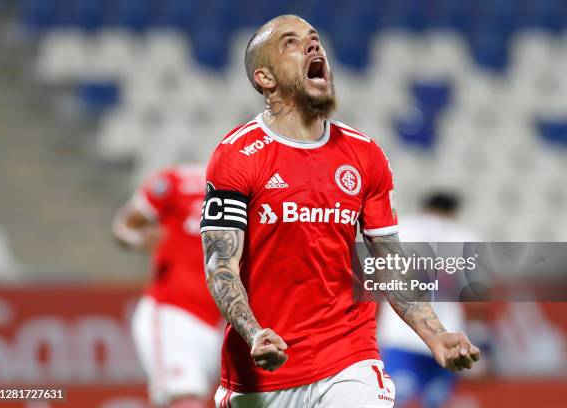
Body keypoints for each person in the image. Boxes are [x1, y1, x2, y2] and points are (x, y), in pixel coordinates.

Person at [200, 15, 480, 408]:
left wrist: (434, 334)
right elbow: (220, 264)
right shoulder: (237, 156)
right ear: (266, 79)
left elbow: (389, 260)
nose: (314, 47)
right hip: (263, 372)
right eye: (291, 43)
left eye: (315, 40)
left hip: (349, 357)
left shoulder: (364, 155)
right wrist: (254, 332)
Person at [113, 164, 223, 408]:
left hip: (219, 320)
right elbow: (124, 224)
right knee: (184, 398)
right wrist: (140, 238)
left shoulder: (254, 189)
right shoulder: (179, 182)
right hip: (173, 311)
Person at [378, 191, 480, 407]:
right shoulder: (464, 237)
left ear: (424, 207)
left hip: (400, 332)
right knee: (435, 402)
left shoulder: (401, 228)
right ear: (453, 212)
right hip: (446, 333)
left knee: (393, 400)